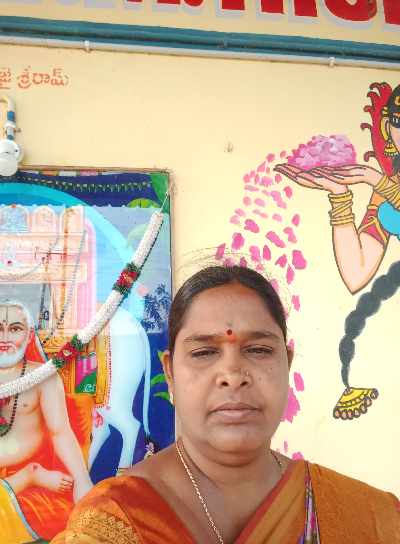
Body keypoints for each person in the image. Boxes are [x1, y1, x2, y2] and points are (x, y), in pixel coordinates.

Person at [51, 265, 399, 543]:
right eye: (204, 352)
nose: (233, 375)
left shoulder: (369, 517)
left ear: (287, 363)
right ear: (170, 373)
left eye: (259, 350)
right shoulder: (113, 523)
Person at [274, 83, 400, 419]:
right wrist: (339, 195)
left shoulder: (382, 185)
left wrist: (377, 181)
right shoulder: (384, 191)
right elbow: (356, 272)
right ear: (387, 127)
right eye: (399, 121)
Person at [0, 299, 93, 543]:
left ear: (29, 335)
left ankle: (29, 474)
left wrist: (82, 479)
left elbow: (60, 432)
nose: (5, 338)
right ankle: (29, 476)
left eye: (15, 329)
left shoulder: (42, 377)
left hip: (14, 472)